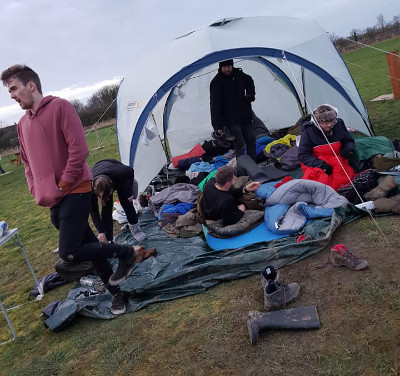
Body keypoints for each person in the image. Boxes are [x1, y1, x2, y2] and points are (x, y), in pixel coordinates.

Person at [1, 64, 155, 315]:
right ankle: (117, 294)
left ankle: (127, 253)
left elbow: (79, 151)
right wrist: (35, 189)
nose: (12, 95)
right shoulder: (21, 125)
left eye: (14, 88)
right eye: (8, 91)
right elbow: (28, 163)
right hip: (53, 199)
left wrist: (62, 183)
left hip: (75, 189)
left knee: (69, 252)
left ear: (31, 85)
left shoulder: (60, 107)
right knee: (91, 248)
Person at [298, 104, 356, 190]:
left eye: (331, 121)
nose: (329, 125)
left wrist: (348, 149)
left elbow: (348, 140)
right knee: (323, 184)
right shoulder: (308, 131)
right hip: (318, 162)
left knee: (346, 180)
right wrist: (321, 165)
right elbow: (303, 155)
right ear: (317, 122)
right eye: (325, 122)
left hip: (338, 158)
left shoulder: (338, 124)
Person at [210, 59, 257, 160]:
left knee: (252, 141)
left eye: (228, 66)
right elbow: (215, 105)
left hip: (246, 115)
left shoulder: (239, 75)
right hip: (230, 119)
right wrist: (217, 126)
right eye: (224, 67)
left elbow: (249, 81)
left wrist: (250, 95)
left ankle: (253, 166)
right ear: (220, 67)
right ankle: (242, 169)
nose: (227, 69)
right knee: (240, 145)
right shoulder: (216, 82)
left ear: (232, 65)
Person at [90, 159, 146, 243]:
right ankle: (109, 239)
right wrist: (101, 231)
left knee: (127, 202)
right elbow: (93, 212)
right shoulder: (88, 188)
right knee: (106, 209)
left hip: (119, 175)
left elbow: (130, 171)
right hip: (99, 172)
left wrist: (128, 192)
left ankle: (136, 230)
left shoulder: (121, 173)